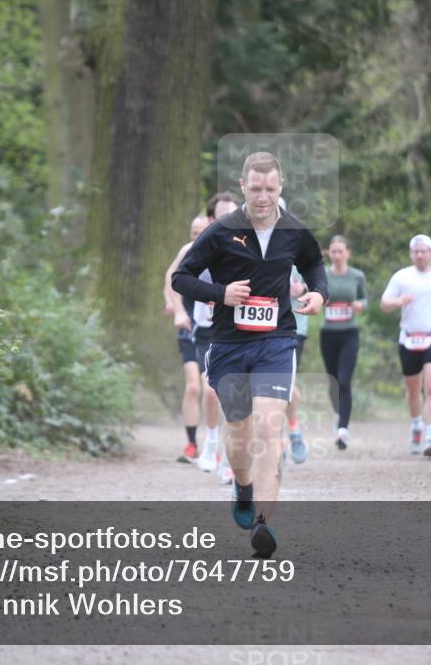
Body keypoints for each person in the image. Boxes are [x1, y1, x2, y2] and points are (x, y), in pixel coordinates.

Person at [172, 152, 326, 558]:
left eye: (270, 189)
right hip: (227, 346)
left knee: (269, 428)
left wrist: (318, 293)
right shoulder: (221, 231)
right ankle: (242, 487)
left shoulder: (294, 230)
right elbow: (181, 278)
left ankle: (263, 523)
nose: (263, 197)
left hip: (276, 342)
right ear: (243, 186)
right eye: (255, 189)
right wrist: (220, 293)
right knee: (238, 434)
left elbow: (314, 265)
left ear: (281, 186)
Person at [380, 235, 431, 457]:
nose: (420, 255)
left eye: (424, 251)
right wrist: (398, 301)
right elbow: (384, 303)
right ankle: (417, 425)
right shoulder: (402, 276)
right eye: (416, 251)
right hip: (408, 338)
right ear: (411, 254)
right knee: (413, 390)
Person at [191, 193, 241, 478]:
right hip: (206, 332)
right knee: (211, 390)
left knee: (234, 397)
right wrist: (179, 310)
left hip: (236, 332)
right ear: (211, 219)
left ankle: (228, 460)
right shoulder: (196, 248)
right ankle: (211, 443)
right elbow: (175, 278)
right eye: (222, 216)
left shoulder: (248, 248)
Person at [162, 215, 209, 462]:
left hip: (215, 330)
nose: (198, 237)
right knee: (193, 386)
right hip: (190, 328)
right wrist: (176, 308)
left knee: (212, 389)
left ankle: (216, 444)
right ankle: (191, 445)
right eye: (194, 232)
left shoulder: (223, 250)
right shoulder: (187, 251)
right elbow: (170, 278)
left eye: (202, 232)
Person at [319, 235, 368, 450]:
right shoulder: (323, 275)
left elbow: (365, 299)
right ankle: (338, 413)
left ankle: (343, 430)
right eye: (333, 251)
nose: (337, 255)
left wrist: (360, 305)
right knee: (333, 382)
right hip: (328, 334)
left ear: (348, 253)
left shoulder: (357, 276)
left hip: (349, 333)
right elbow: (315, 295)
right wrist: (321, 300)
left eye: (340, 251)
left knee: (344, 380)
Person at [284, 264, 310, 463]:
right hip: (262, 331)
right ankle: (277, 438)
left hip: (295, 330)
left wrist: (304, 290)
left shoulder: (303, 259)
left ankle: (294, 431)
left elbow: (322, 289)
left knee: (285, 383)